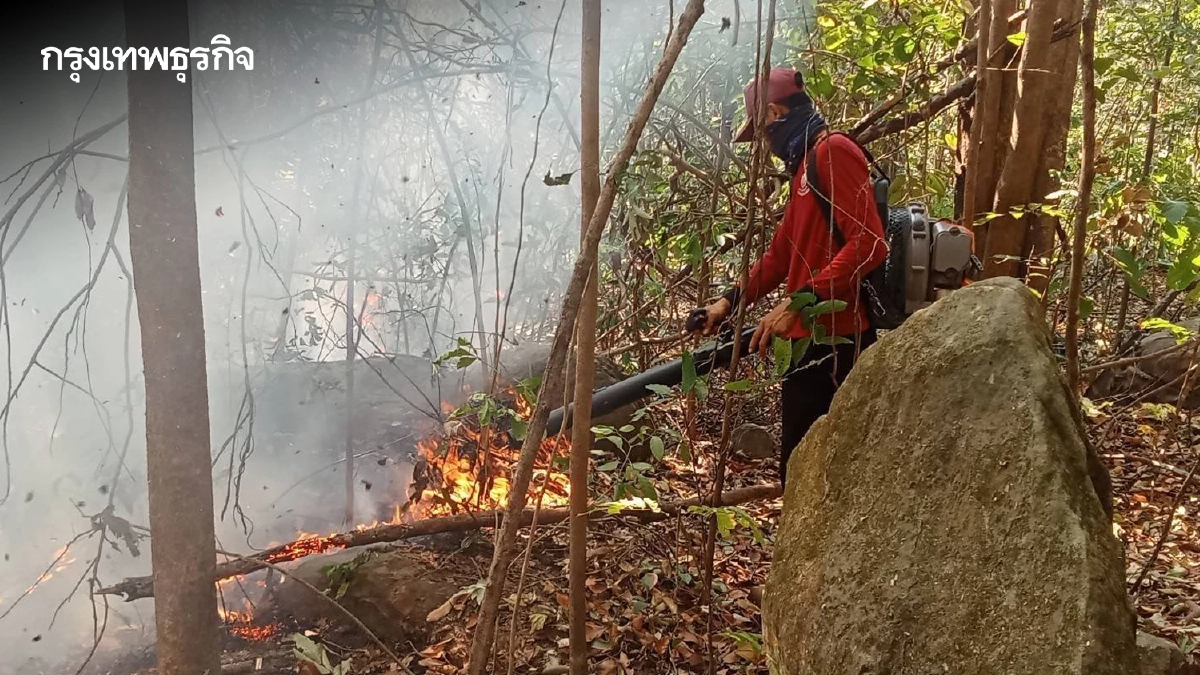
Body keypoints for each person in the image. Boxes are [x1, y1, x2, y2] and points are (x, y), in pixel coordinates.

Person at [689, 67, 888, 486]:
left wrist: (798, 301)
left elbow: (870, 242)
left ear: (775, 113)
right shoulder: (803, 169)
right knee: (799, 472)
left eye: (762, 131)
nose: (765, 143)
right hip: (805, 345)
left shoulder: (832, 152)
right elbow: (780, 256)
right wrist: (728, 301)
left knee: (826, 479)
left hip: (838, 343)